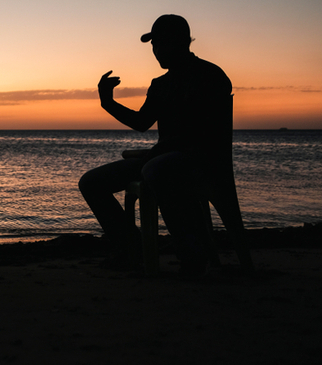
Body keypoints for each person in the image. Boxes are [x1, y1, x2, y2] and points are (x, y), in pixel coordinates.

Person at [78, 14, 232, 274]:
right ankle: (131, 248)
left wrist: (163, 151)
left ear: (184, 42)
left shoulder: (210, 75)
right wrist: (108, 103)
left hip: (199, 161)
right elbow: (142, 122)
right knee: (91, 182)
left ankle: (193, 255)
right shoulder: (161, 84)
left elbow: (206, 131)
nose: (157, 51)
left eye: (163, 43)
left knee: (157, 169)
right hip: (163, 159)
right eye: (154, 45)